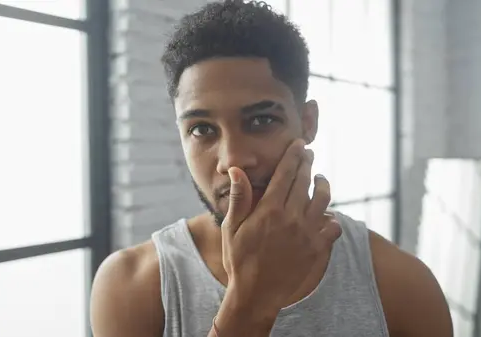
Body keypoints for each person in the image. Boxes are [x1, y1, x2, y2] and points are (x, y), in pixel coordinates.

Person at [90, 1, 453, 336]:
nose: (232, 160)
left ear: (307, 122)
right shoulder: (134, 286)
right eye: (202, 129)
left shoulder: (401, 285)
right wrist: (249, 303)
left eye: (261, 120)